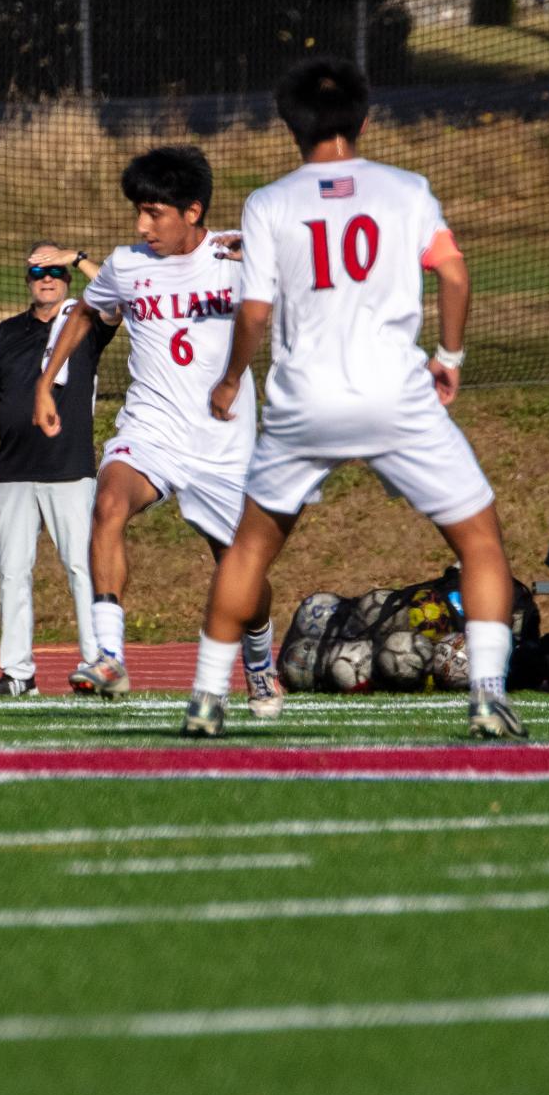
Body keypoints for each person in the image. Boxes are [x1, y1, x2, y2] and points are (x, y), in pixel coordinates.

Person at [182, 59, 525, 739]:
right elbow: (452, 275)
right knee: (480, 542)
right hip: (396, 395)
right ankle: (486, 695)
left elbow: (252, 312)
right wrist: (447, 359)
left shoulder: (269, 203)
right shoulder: (404, 191)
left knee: (248, 553)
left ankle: (203, 699)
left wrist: (227, 379)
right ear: (365, 121)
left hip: (303, 399)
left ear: (288, 128)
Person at [32, 146, 282, 717]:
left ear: (193, 211)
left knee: (240, 569)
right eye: (138, 213)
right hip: (150, 429)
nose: (142, 226)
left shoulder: (239, 258)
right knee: (109, 503)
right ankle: (109, 655)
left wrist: (262, 250)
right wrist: (47, 383)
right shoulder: (127, 263)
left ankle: (261, 655)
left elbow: (313, 274)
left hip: (223, 441)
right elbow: (87, 312)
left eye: (154, 213)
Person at [0, 243, 110, 695]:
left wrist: (79, 256)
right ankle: (18, 674)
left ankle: (95, 665)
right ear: (27, 279)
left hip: (69, 468)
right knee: (12, 572)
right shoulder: (6, 333)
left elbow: (117, 291)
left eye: (54, 272)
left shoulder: (84, 325)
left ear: (67, 280)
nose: (46, 279)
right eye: (37, 272)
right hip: (13, 471)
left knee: (81, 568)